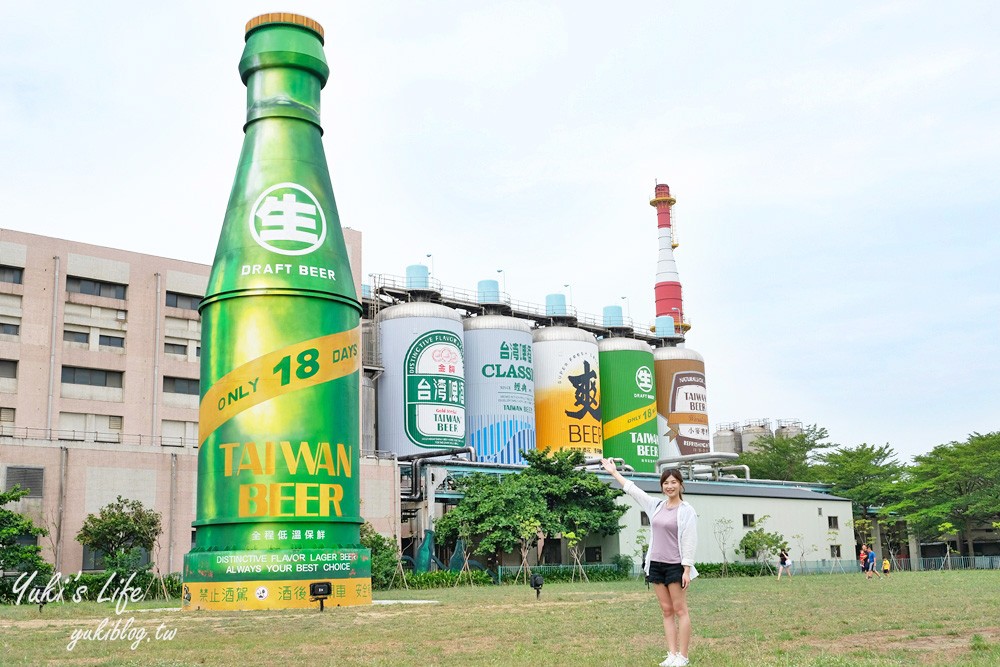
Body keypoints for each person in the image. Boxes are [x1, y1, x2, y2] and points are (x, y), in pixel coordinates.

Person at [602, 458, 698, 667]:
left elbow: (689, 539)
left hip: (675, 565)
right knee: (666, 610)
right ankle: (671, 654)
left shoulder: (686, 510)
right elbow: (633, 489)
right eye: (666, 483)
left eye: (673, 482)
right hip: (655, 563)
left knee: (680, 610)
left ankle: (683, 656)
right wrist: (614, 473)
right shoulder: (655, 505)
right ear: (662, 486)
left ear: (681, 484)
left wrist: (686, 569)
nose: (669, 486)